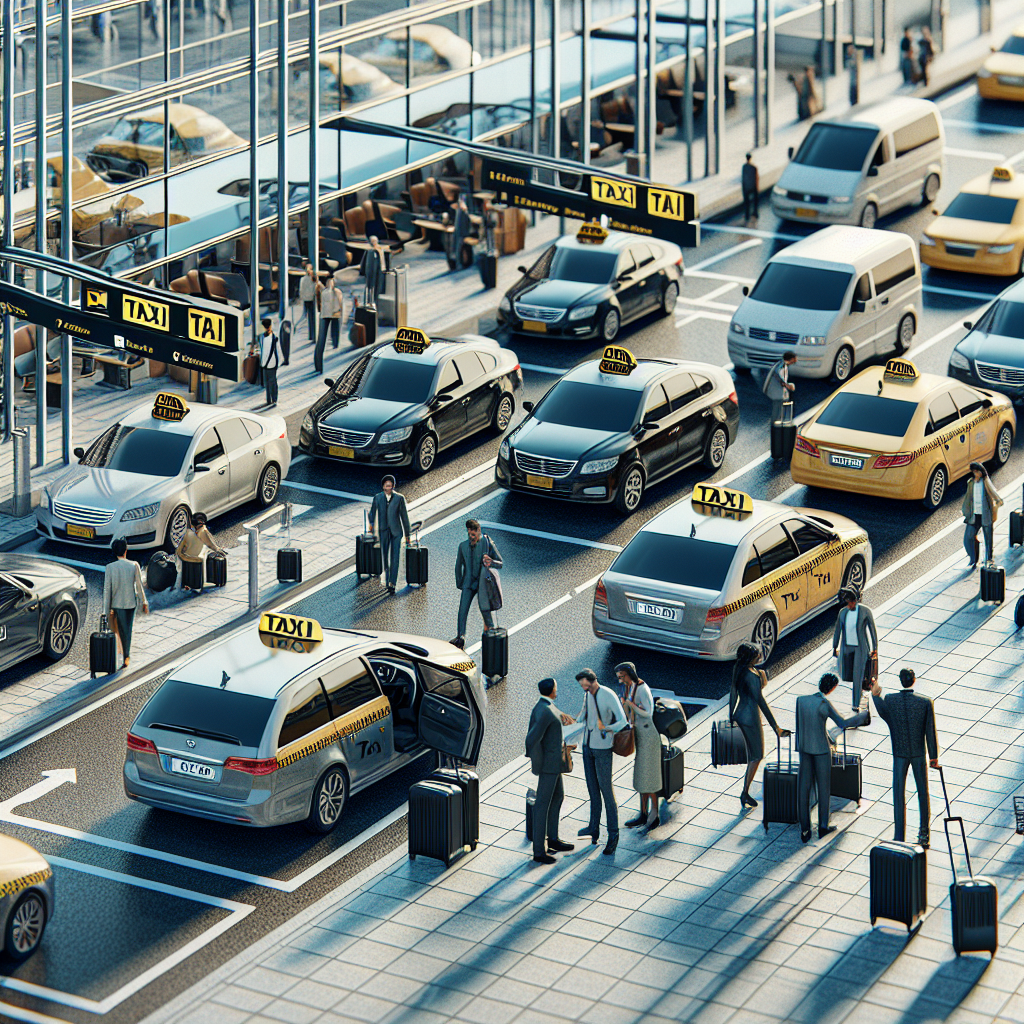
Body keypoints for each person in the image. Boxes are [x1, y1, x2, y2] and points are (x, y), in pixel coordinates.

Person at [796, 673, 867, 843]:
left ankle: (805, 829)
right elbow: (842, 723)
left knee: (803, 789)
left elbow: (803, 726)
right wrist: (862, 716)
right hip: (821, 750)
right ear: (832, 688)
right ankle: (822, 826)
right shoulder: (824, 704)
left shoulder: (801, 701)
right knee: (824, 788)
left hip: (804, 748)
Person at [871, 669, 939, 848]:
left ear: (900, 681)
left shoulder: (891, 700)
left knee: (898, 793)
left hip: (899, 753)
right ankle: (924, 834)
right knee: (923, 792)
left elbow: (883, 713)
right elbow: (930, 731)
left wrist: (876, 694)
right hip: (918, 753)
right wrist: (933, 757)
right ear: (914, 680)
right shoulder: (925, 703)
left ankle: (899, 835)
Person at [575, 669, 629, 855]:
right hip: (587, 746)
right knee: (592, 789)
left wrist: (606, 728)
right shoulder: (588, 695)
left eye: (584, 684)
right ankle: (593, 827)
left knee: (606, 790)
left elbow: (623, 722)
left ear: (592, 681)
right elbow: (583, 714)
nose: (583, 688)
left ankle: (613, 834)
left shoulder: (608, 695)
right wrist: (571, 722)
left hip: (602, 748)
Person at [730, 642, 790, 809]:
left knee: (752, 755)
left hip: (740, 714)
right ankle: (745, 792)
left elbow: (733, 693)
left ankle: (745, 791)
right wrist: (775, 727)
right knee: (756, 756)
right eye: (757, 654)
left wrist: (731, 715)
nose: (759, 656)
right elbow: (760, 701)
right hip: (751, 717)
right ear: (751, 658)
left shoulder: (739, 669)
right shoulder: (752, 675)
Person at [525, 678, 576, 865]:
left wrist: (562, 716)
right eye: (556, 688)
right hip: (549, 766)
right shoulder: (545, 711)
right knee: (542, 805)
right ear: (551, 690)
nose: (557, 690)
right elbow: (531, 740)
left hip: (555, 764)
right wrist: (540, 762)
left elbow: (551, 718)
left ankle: (553, 839)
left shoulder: (545, 706)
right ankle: (539, 850)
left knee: (558, 798)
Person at [618, 662, 662, 834]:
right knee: (641, 776)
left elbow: (648, 712)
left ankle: (654, 813)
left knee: (650, 776)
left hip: (648, 736)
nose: (620, 680)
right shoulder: (629, 688)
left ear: (629, 674)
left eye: (622, 676)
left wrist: (631, 705)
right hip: (640, 735)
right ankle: (643, 812)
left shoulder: (642, 689)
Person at [451, 519, 502, 649]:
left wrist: (492, 562)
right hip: (468, 583)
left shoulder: (486, 543)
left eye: (473, 533)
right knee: (462, 610)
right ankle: (460, 636)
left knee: (485, 609)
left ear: (478, 531)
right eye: (469, 532)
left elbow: (500, 563)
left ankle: (491, 636)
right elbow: (458, 566)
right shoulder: (462, 546)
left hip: (482, 583)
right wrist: (460, 582)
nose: (470, 535)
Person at [102, 538, 148, 669]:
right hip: (129, 604)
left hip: (115, 604)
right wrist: (144, 602)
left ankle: (115, 654)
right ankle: (126, 656)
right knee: (127, 630)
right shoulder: (134, 565)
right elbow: (139, 586)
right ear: (126, 551)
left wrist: (106, 610)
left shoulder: (110, 568)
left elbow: (107, 590)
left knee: (116, 630)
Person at [832, 586, 877, 716]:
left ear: (855, 600)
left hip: (860, 648)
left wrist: (875, 648)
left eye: (851, 602)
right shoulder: (842, 613)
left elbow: (872, 630)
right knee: (847, 675)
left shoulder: (865, 611)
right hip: (847, 648)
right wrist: (835, 647)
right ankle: (860, 692)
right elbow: (837, 631)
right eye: (847, 602)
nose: (849, 605)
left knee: (857, 675)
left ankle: (855, 704)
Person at [369, 475, 411, 595]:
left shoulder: (399, 498)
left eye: (390, 485)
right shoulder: (377, 498)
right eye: (386, 485)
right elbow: (372, 513)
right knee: (385, 557)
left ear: (393, 486)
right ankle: (387, 580)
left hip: (396, 532)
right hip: (383, 531)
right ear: (383, 486)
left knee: (395, 557)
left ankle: (392, 583)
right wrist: (371, 526)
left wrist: (408, 534)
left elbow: (404, 517)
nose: (388, 487)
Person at [962, 461, 1002, 569]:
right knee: (968, 537)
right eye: (975, 472)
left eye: (978, 471)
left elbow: (993, 493)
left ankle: (988, 559)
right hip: (974, 515)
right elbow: (968, 498)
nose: (977, 474)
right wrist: (966, 512)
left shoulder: (985, 482)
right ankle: (973, 558)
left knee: (988, 539)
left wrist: (998, 503)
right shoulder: (971, 483)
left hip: (986, 515)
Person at [176, 512, 227, 592]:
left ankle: (191, 584)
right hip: (188, 559)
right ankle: (193, 585)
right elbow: (211, 544)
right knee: (197, 562)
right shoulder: (197, 533)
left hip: (187, 559)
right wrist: (217, 549)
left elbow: (210, 543)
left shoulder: (194, 532)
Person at [315, 274, 344, 375]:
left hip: (330, 314)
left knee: (323, 338)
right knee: (322, 340)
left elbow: (339, 304)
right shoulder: (326, 292)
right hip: (329, 315)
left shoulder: (332, 292)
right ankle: (319, 366)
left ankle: (319, 366)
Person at [764, 350, 797, 426]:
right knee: (777, 407)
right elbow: (778, 377)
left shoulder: (781, 364)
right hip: (777, 391)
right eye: (794, 359)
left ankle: (777, 422)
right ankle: (775, 424)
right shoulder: (781, 366)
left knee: (780, 406)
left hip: (778, 391)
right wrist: (787, 385)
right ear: (791, 359)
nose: (795, 361)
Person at [259, 318, 280, 407]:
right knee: (267, 383)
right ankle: (269, 400)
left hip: (271, 363)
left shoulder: (274, 338)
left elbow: (276, 351)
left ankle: (274, 399)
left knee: (272, 382)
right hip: (264, 363)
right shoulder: (261, 337)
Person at [363, 236, 388, 306]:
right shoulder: (370, 251)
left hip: (381, 270)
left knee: (379, 287)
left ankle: (376, 303)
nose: (374, 243)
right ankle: (368, 302)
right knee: (370, 287)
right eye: (372, 242)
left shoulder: (380, 249)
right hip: (372, 272)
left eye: (375, 241)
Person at [299, 262, 319, 344]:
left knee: (309, 317)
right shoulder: (312, 279)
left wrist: (302, 297)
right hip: (311, 300)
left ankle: (311, 335)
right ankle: (313, 335)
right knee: (312, 318)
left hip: (307, 299)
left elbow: (301, 290)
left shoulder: (303, 279)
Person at [741, 153, 759, 224]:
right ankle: (755, 212)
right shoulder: (754, 167)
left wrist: (743, 187)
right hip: (753, 186)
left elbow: (743, 177)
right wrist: (757, 187)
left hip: (746, 186)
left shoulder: (744, 167)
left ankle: (747, 215)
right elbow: (756, 178)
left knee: (747, 202)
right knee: (755, 201)